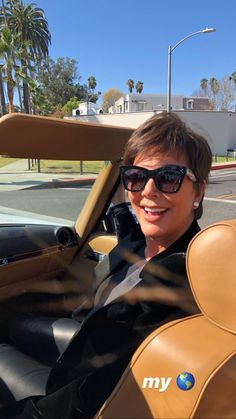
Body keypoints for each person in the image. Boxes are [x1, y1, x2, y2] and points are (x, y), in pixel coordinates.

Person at [0, 112, 212, 419]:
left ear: (199, 192)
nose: (149, 190)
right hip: (84, 342)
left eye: (169, 177)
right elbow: (130, 218)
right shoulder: (140, 242)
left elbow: (91, 396)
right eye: (136, 176)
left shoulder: (176, 289)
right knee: (11, 322)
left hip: (75, 393)